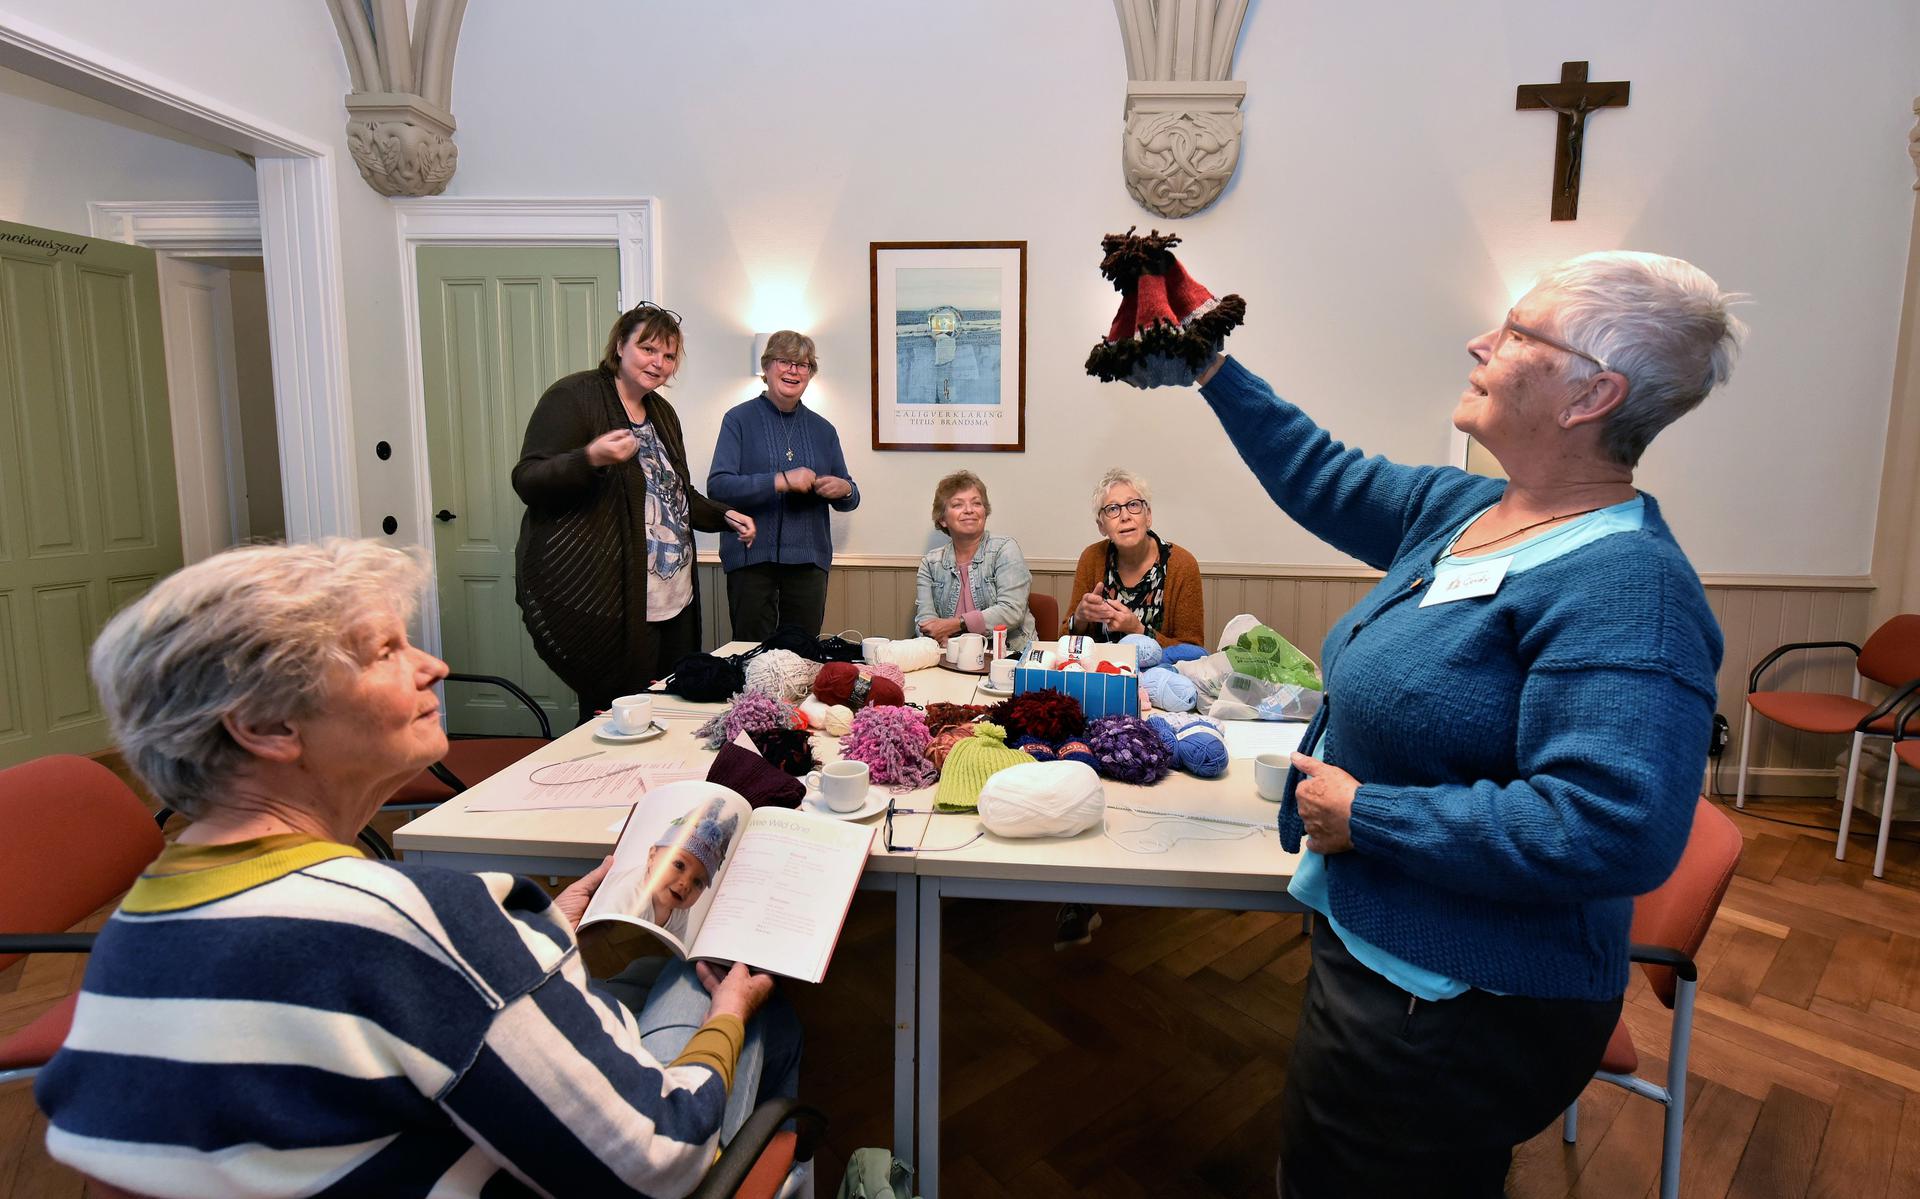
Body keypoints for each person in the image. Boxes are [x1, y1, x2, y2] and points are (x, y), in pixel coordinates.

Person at [1165, 251, 1739, 1196]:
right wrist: (1210, 370)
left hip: (1456, 1004)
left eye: (1518, 334)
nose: (1482, 342)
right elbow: (1321, 474)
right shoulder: (1472, 508)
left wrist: (1372, 817)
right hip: (1390, 956)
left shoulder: (1632, 590)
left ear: (1591, 394)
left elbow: (1611, 827)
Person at [36, 540, 801, 1199]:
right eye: (384, 651)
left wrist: (521, 943)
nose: (433, 665)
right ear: (267, 726)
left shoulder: (133, 928)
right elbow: (655, 1158)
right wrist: (727, 1015)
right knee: (743, 990)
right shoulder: (413, 919)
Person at [513, 303, 756, 725]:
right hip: (614, 600)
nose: (658, 363)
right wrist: (590, 456)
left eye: (668, 356)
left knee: (669, 712)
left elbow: (675, 493)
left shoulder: (661, 412)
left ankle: (662, 791)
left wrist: (724, 515)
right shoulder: (574, 398)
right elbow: (528, 480)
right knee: (614, 719)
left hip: (674, 599)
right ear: (621, 345)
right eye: (648, 349)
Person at [707, 330, 860, 640]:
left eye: (802, 364)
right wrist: (781, 481)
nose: (793, 370)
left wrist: (843, 489)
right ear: (766, 367)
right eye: (784, 361)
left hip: (808, 563)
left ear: (810, 374)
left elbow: (850, 494)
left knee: (801, 659)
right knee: (751, 658)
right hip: (751, 560)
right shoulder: (737, 420)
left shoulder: (823, 430)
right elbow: (718, 487)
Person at [1065, 467, 1205, 646]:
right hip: (1101, 671)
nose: (1125, 516)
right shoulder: (1092, 558)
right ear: (1101, 526)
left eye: (1133, 505)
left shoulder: (1182, 564)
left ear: (1148, 516)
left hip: (1162, 673)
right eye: (1113, 509)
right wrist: (1079, 618)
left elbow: (1193, 651)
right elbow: (1062, 642)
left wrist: (1138, 630)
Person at [913, 470, 1036, 653]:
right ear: (942, 519)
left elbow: (1011, 611)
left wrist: (956, 624)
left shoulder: (1005, 549)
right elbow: (925, 621)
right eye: (957, 505)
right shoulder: (930, 564)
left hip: (1009, 655)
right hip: (950, 656)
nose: (969, 510)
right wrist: (945, 642)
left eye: (977, 503)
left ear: (985, 512)